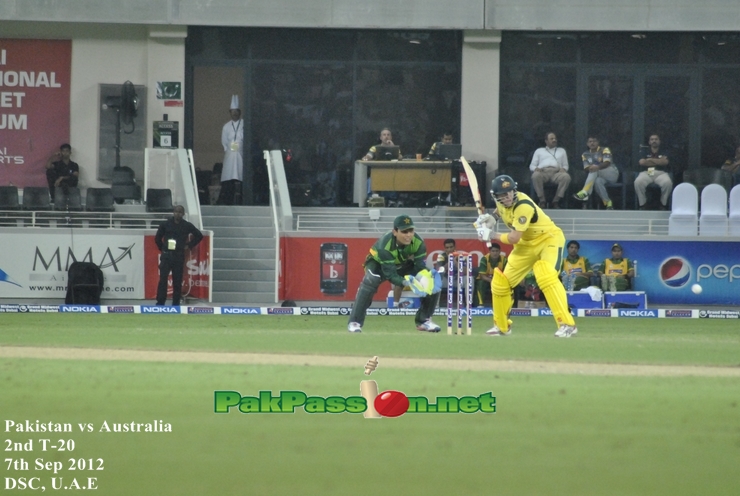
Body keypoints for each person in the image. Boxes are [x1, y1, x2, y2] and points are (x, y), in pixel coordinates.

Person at [474, 174, 578, 337]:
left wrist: (491, 235)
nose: (507, 196)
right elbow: (500, 211)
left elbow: (514, 237)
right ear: (496, 196)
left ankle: (566, 324)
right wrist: (491, 218)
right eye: (502, 194)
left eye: (509, 192)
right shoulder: (500, 202)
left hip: (548, 239)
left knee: (547, 276)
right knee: (501, 283)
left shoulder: (523, 205)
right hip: (526, 244)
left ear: (514, 190)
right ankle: (501, 326)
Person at [348, 214, 441, 333]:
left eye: (411, 231)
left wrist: (424, 279)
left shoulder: (419, 243)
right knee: (372, 280)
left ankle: (424, 320)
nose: (408, 235)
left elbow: (419, 267)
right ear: (395, 232)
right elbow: (390, 275)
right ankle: (354, 322)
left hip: (402, 263)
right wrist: (406, 282)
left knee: (431, 281)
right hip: (378, 264)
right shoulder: (385, 246)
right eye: (404, 232)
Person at [155, 205, 204, 306]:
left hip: (178, 256)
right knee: (163, 280)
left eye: (180, 212)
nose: (178, 213)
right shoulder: (165, 224)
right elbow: (157, 238)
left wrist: (189, 245)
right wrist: (163, 249)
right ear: (173, 212)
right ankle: (160, 302)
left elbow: (199, 235)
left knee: (177, 281)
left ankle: (176, 303)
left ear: (183, 214)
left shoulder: (187, 225)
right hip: (167, 255)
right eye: (176, 211)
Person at [572, 136, 619, 210]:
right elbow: (586, 167)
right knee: (597, 182)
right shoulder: (585, 154)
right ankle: (608, 203)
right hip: (598, 176)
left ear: (598, 142)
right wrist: (592, 168)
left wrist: (596, 167)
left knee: (594, 170)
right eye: (590, 141)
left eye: (594, 141)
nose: (592, 143)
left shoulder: (604, 149)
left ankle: (585, 192)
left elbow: (607, 163)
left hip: (611, 173)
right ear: (587, 144)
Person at [529, 131, 571, 209]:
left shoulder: (561, 151)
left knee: (566, 177)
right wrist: (536, 169)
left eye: (555, 138)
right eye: (551, 139)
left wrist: (564, 169)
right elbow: (532, 165)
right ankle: (542, 201)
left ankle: (556, 201)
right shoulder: (539, 151)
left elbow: (566, 165)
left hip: (557, 172)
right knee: (535, 176)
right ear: (546, 141)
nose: (554, 140)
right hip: (543, 172)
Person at [634, 134, 672, 210]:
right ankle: (643, 204)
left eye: (656, 139)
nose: (654, 141)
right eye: (652, 139)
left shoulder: (664, 151)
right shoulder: (644, 151)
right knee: (638, 182)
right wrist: (658, 161)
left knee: (668, 183)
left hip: (660, 173)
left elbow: (665, 162)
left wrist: (649, 160)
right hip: (647, 172)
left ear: (659, 141)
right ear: (649, 142)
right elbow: (642, 162)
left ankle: (663, 204)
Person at [218, 94, 244, 205]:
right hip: (230, 155)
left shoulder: (244, 124)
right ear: (230, 113)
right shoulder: (226, 126)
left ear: (239, 112)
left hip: (241, 155)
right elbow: (224, 141)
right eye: (232, 111)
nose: (234, 113)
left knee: (240, 177)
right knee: (229, 180)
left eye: (236, 111)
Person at [475, 242, 507, 307]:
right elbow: (482, 276)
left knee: (509, 283)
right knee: (481, 283)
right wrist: (492, 281)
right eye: (493, 251)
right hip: (486, 280)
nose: (495, 253)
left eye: (497, 251)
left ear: (500, 251)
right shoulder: (484, 259)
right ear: (489, 251)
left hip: (499, 280)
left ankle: (505, 304)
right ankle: (480, 304)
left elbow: (507, 273)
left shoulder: (504, 260)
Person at [434, 238, 457, 302]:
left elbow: (466, 271)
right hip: (446, 279)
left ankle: (468, 305)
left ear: (455, 247)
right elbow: (439, 270)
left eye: (451, 247)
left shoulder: (460, 255)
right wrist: (449, 261)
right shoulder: (441, 256)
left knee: (469, 279)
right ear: (445, 248)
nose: (449, 249)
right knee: (437, 280)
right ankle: (436, 305)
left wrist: (456, 262)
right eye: (447, 248)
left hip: (458, 279)